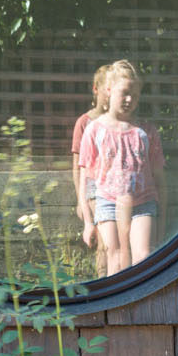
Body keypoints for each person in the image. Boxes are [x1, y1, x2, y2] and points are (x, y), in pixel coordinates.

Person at [78, 59, 166, 276]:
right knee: (114, 258)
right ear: (108, 90)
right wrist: (88, 222)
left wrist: (163, 218)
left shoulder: (145, 132)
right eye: (124, 93)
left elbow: (159, 178)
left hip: (143, 202)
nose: (129, 100)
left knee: (143, 257)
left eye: (135, 96)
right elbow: (85, 181)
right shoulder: (94, 130)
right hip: (107, 202)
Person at [71, 65, 109, 246]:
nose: (110, 94)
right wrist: (81, 201)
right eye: (106, 89)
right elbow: (78, 169)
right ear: (95, 88)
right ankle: (104, 274)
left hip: (116, 190)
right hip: (94, 191)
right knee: (104, 242)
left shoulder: (121, 123)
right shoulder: (84, 123)